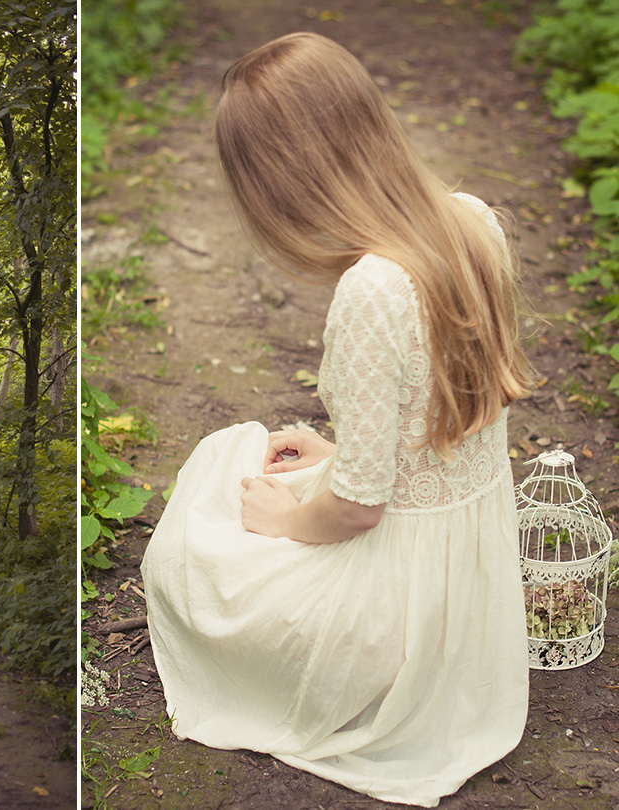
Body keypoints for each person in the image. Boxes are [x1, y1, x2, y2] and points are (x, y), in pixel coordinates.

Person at [139, 32, 533, 808]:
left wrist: (287, 522)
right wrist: (338, 448)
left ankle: (346, 679)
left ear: (283, 183)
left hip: (394, 610)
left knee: (202, 523)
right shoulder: (474, 220)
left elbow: (357, 508)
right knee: (263, 457)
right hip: (466, 583)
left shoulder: (372, 288)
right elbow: (449, 418)